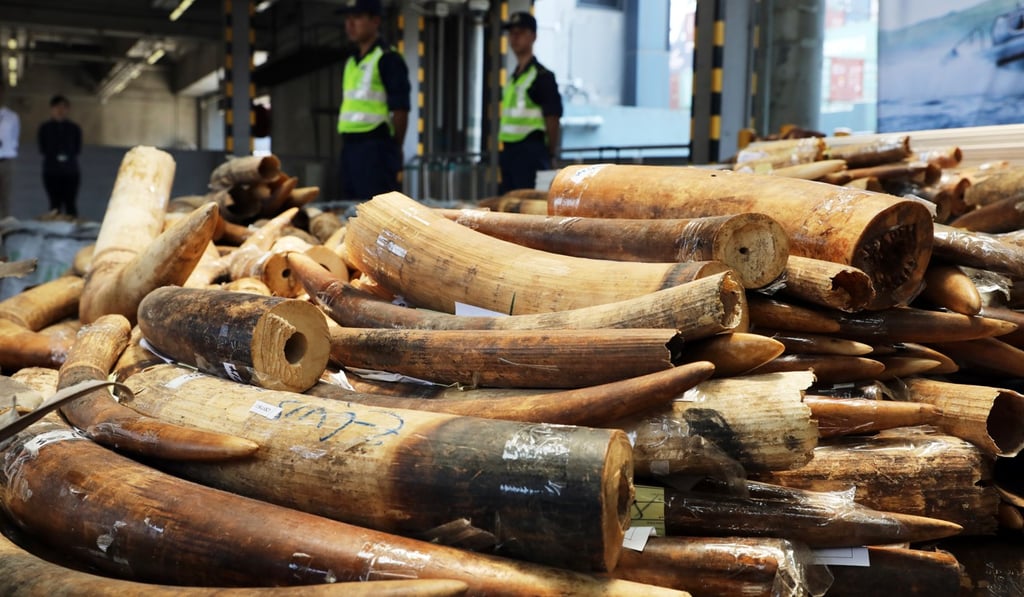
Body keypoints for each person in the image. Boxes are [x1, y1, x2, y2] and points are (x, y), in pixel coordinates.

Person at [336, 0, 411, 201]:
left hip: (376, 147)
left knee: (376, 206)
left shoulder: (388, 58)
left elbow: (401, 109)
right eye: (348, 18)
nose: (350, 24)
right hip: (350, 146)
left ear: (375, 21)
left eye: (357, 17)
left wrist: (395, 149)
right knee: (351, 206)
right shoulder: (352, 61)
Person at [498, 11, 563, 194]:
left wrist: (551, 153)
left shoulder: (542, 76)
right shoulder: (514, 77)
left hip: (530, 151)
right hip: (509, 151)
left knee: (527, 202)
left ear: (533, 36)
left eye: (520, 32)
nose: (514, 37)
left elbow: (553, 118)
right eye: (512, 33)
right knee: (507, 202)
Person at [37, 95, 82, 217]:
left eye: (63, 107)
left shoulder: (74, 128)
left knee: (70, 203)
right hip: (51, 170)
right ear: (52, 109)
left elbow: (77, 149)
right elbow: (43, 148)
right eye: (57, 107)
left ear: (68, 109)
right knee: (55, 204)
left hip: (70, 171)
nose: (60, 110)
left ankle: (72, 227)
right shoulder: (45, 128)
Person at [0, 81, 20, 219]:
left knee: (5, 196)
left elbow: (15, 137)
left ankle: (4, 224)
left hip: (6, 160)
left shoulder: (12, 117)